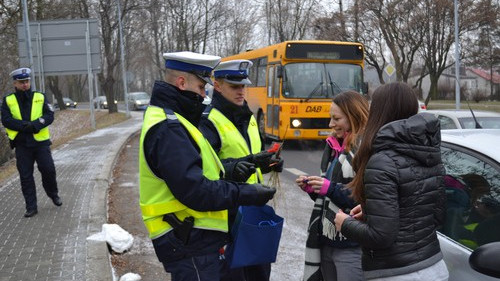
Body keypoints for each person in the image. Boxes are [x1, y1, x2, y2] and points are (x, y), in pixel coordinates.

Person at [138, 51, 276, 281]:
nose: (204, 95)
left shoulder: (175, 120)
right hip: (187, 238)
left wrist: (251, 163)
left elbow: (209, 170)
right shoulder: (170, 127)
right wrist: (247, 193)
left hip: (194, 238)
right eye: (202, 87)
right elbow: (196, 190)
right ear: (182, 83)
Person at [334, 82, 449, 281]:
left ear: (378, 112)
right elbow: (434, 217)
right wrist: (373, 210)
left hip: (397, 273)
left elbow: (380, 236)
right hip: (435, 266)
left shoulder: (382, 161)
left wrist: (344, 224)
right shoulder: (430, 153)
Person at [199, 59, 283, 281]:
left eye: (243, 86)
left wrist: (267, 163)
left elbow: (253, 159)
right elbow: (204, 171)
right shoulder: (208, 121)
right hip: (227, 217)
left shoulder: (249, 118)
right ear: (217, 85)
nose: (241, 91)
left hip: (254, 209)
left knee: (259, 274)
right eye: (234, 86)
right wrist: (234, 168)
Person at [295, 91, 368, 281]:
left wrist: (330, 188)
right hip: (327, 239)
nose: (330, 124)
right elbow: (331, 193)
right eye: (330, 118)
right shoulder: (335, 148)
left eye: (336, 118)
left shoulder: (365, 150)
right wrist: (315, 190)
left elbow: (366, 198)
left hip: (351, 245)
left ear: (353, 116)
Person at [1, 67, 61, 218]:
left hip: (40, 143)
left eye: (26, 81)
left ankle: (53, 194)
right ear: (15, 83)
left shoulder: (40, 96)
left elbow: (49, 115)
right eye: (21, 82)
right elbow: (6, 120)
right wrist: (24, 126)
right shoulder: (8, 100)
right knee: (26, 176)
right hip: (22, 144)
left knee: (48, 170)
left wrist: (35, 125)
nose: (25, 84)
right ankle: (31, 206)